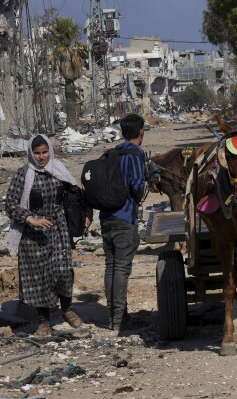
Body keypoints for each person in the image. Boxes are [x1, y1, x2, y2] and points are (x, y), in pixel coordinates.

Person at [5, 134, 87, 336]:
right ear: (31, 154)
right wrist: (30, 218)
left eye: (44, 152)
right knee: (39, 276)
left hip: (58, 227)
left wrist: (84, 215)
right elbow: (10, 205)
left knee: (63, 269)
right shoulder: (23, 174)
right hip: (33, 234)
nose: (41, 157)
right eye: (37, 153)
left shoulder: (58, 169)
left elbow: (75, 193)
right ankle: (44, 320)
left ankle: (67, 309)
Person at [99, 113, 146, 331]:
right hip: (125, 217)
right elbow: (137, 186)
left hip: (106, 217)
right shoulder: (135, 155)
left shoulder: (111, 153)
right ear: (141, 132)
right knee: (121, 269)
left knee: (111, 266)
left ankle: (113, 316)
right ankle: (118, 319)